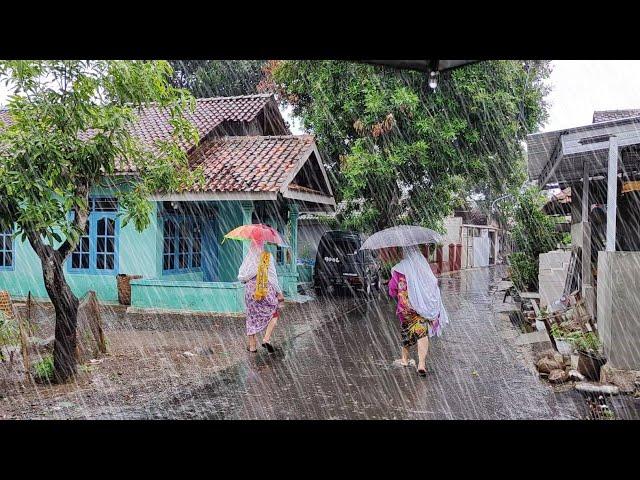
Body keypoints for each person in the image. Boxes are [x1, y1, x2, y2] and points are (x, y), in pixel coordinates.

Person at [388, 245, 449, 377]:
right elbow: (432, 282)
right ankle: (421, 364)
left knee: (406, 331)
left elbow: (392, 290)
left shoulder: (399, 268)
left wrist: (398, 291)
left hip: (405, 309)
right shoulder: (422, 267)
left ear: (405, 253)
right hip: (421, 307)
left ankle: (404, 360)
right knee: (421, 333)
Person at [238, 239, 284, 353]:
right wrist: (279, 292)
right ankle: (266, 339)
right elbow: (272, 277)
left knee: (251, 316)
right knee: (274, 313)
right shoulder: (267, 257)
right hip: (265, 290)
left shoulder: (248, 259)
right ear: (262, 246)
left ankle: (252, 346)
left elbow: (242, 277)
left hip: (251, 292)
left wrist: (248, 280)